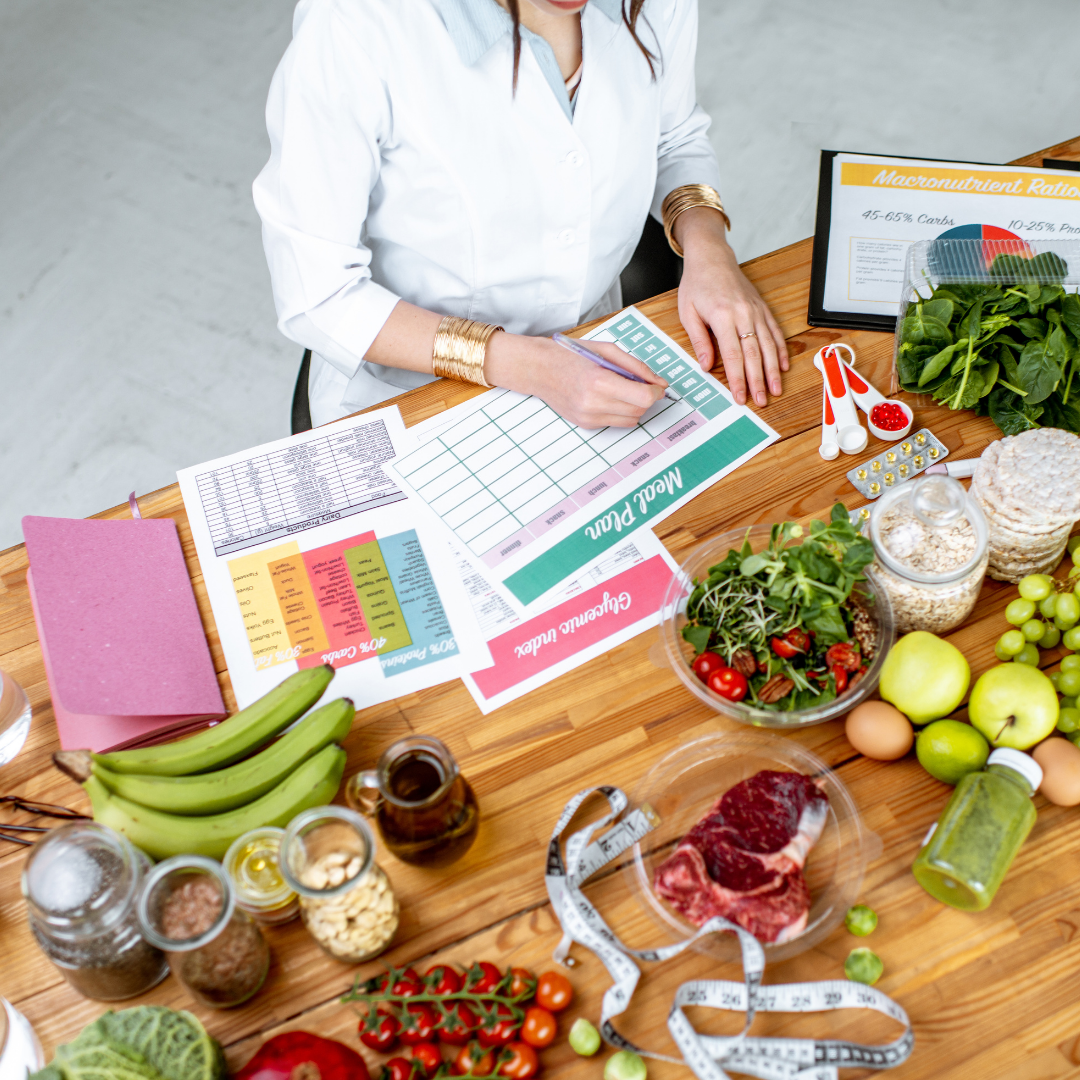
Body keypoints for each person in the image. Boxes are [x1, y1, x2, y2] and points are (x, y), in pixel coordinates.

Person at [254, 0, 789, 431]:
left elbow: (674, 136)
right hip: (411, 394)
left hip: (595, 358)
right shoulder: (355, 24)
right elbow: (318, 293)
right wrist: (531, 365)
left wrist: (709, 250)